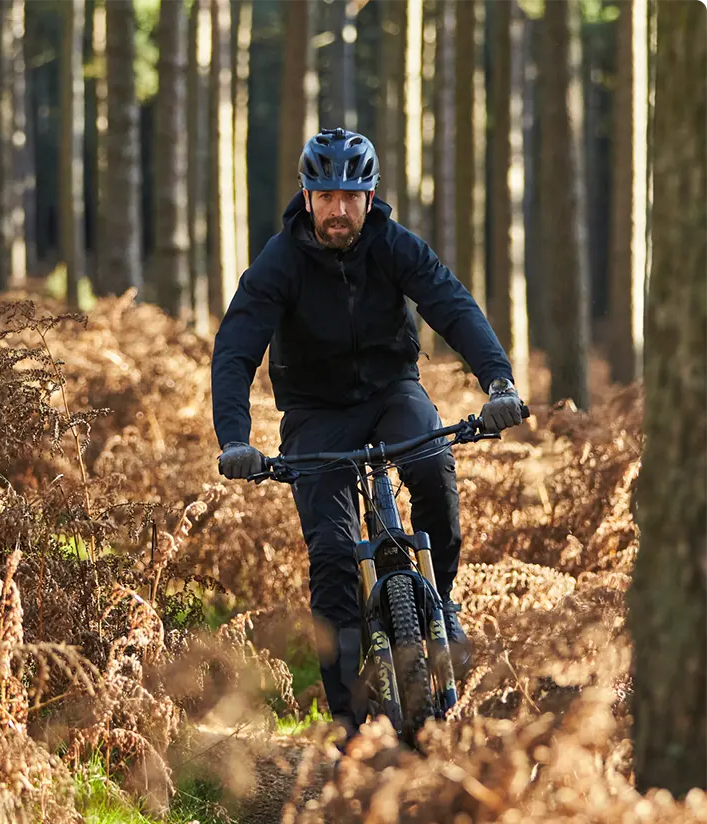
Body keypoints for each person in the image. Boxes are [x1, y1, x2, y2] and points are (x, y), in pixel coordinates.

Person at [210, 127, 524, 741]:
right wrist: (234, 438)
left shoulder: (393, 244)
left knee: (433, 465)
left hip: (391, 395)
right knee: (331, 557)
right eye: (325, 194)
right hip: (315, 415)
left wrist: (500, 383)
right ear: (307, 197)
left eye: (350, 195)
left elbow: (451, 304)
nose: (338, 208)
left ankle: (441, 600)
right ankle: (351, 725)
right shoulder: (280, 262)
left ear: (370, 195)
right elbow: (235, 349)